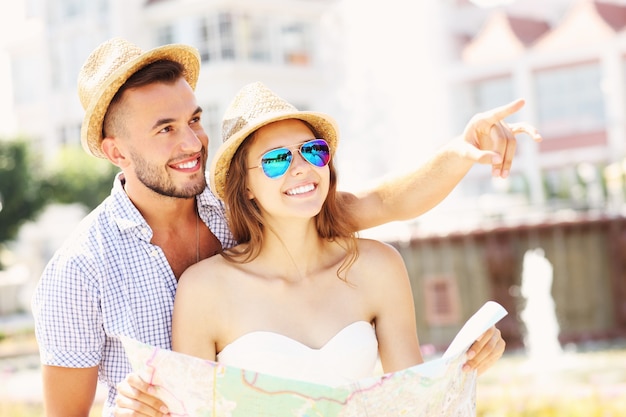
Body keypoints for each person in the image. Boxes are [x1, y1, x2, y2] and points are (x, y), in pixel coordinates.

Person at [30, 37, 539, 417]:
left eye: (194, 119)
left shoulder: (244, 211)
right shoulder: (79, 271)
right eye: (165, 129)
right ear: (115, 150)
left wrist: (460, 151)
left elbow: (382, 201)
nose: (191, 143)